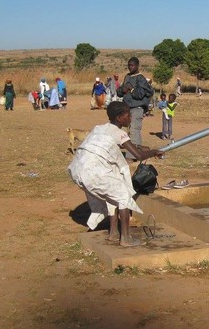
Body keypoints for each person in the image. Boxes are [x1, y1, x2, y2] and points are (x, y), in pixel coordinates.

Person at [68, 101, 163, 247]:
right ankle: (125, 238)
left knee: (113, 198)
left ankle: (113, 234)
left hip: (78, 168)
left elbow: (118, 143)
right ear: (119, 118)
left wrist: (139, 147)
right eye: (128, 115)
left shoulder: (100, 128)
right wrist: (153, 152)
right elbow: (138, 156)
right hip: (93, 171)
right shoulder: (120, 133)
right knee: (123, 196)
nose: (130, 118)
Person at [116, 56, 154, 158]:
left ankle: (131, 156)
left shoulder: (140, 78)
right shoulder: (127, 76)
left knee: (134, 130)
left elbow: (140, 94)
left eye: (132, 65)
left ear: (137, 66)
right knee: (130, 131)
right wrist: (122, 90)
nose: (130, 67)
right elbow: (119, 92)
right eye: (129, 65)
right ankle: (138, 153)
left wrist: (132, 89)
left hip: (137, 108)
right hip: (127, 108)